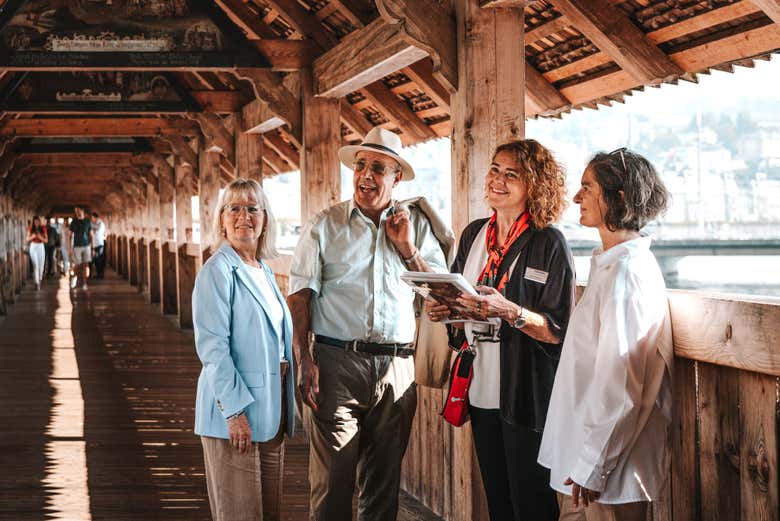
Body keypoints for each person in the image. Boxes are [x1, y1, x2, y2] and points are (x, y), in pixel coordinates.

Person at [288, 126, 448, 521]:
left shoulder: (418, 226)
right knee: (333, 484)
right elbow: (299, 297)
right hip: (336, 362)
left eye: (378, 168)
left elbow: (440, 295)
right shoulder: (324, 225)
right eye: (360, 166)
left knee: (383, 486)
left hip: (398, 367)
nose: (366, 176)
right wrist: (303, 359)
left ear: (396, 178)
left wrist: (407, 248)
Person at [426, 139, 575, 521]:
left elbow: (557, 329)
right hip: (480, 388)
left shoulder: (549, 242)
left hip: (526, 393)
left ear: (535, 184)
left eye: (512, 174)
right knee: (498, 501)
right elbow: (463, 305)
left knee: (533, 505)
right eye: (495, 169)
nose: (498, 180)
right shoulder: (475, 233)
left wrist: (509, 310)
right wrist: (446, 309)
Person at [538, 148, 673, 521]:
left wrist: (593, 466)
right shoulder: (611, 266)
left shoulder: (627, 273)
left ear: (618, 196)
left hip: (605, 474)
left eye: (587, 187)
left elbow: (621, 385)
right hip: (584, 464)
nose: (576, 197)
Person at [193, 178, 295, 521]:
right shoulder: (217, 271)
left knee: (268, 514)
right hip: (234, 417)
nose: (243, 216)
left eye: (252, 208)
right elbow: (213, 349)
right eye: (233, 208)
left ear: (265, 218)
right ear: (221, 218)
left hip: (270, 415)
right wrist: (234, 413)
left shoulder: (262, 269)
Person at [68, 207, 93, 290]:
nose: (77, 213)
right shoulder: (73, 222)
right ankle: (74, 277)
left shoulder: (87, 222)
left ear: (83, 211)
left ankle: (85, 283)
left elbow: (91, 235)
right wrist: (69, 248)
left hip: (86, 246)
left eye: (79, 211)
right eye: (76, 211)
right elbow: (70, 236)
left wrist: (92, 248)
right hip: (77, 246)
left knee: (86, 265)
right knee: (77, 264)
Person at [26, 215, 47, 291]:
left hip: (41, 246)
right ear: (33, 222)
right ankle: (37, 283)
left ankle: (40, 279)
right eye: (35, 222)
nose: (36, 223)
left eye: (37, 221)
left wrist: (40, 237)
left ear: (39, 222)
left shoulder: (43, 228)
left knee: (41, 266)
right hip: (33, 246)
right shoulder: (30, 229)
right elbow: (27, 239)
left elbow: (46, 240)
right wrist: (33, 236)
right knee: (36, 265)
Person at [91, 212, 106, 279]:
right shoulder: (94, 224)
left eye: (93, 218)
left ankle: (101, 275)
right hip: (95, 244)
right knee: (96, 260)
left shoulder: (101, 224)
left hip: (99, 244)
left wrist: (92, 230)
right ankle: (98, 274)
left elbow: (96, 232)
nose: (92, 219)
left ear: (95, 217)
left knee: (100, 260)